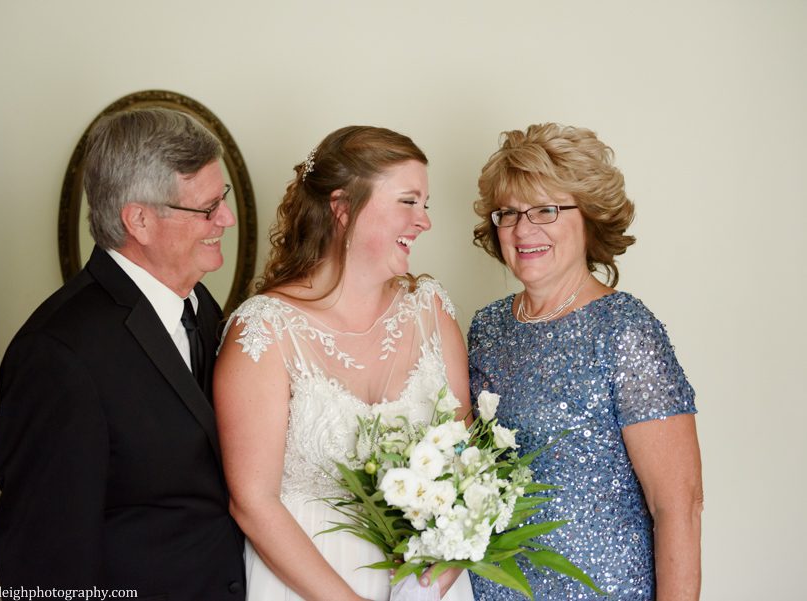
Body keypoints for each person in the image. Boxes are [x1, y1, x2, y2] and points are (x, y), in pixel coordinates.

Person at [0, 107, 246, 600]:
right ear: (140, 220)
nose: (226, 218)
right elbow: (43, 562)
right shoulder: (57, 355)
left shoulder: (201, 306)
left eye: (225, 199)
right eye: (207, 207)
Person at [213, 126, 475, 601]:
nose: (424, 221)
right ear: (343, 208)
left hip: (426, 586)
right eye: (408, 201)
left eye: (426, 204)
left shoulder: (431, 311)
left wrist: (431, 582)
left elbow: (464, 466)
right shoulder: (265, 331)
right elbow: (252, 501)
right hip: (304, 583)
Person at [468, 123, 703, 600]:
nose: (522, 229)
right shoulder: (486, 328)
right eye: (508, 213)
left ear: (589, 217)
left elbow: (678, 504)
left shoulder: (623, 328)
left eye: (546, 210)